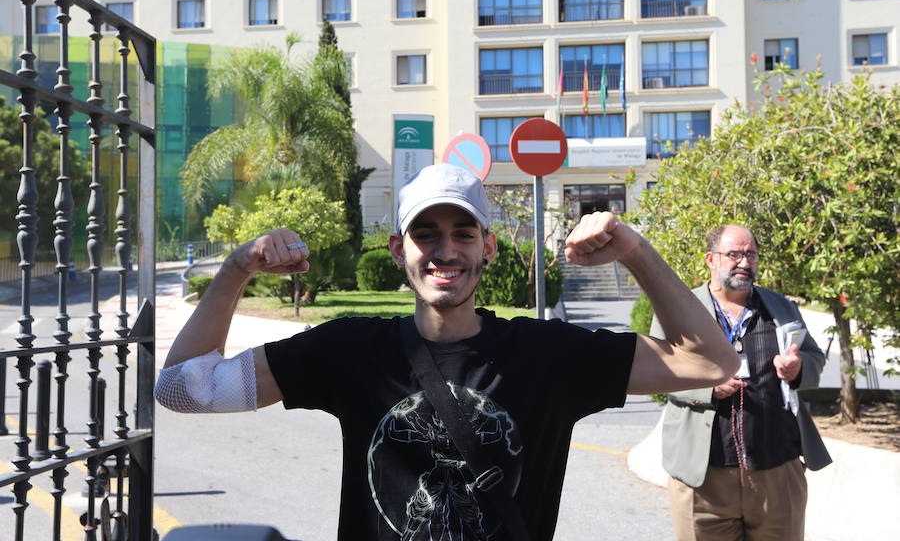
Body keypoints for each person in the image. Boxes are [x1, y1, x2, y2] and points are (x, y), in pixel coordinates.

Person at [156, 163, 738, 541]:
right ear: (397, 250)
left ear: (487, 247)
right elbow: (183, 389)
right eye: (425, 233)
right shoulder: (350, 350)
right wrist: (235, 271)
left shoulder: (548, 356)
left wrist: (633, 249)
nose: (444, 250)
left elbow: (711, 362)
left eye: (463, 234)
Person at [653, 224, 832, 541]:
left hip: (777, 473)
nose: (745, 262)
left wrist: (799, 366)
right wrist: (705, 389)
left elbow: (814, 356)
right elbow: (655, 369)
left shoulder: (780, 307)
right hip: (704, 478)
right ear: (711, 259)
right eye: (734, 254)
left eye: (751, 254)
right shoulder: (679, 311)